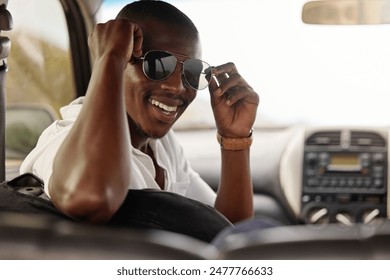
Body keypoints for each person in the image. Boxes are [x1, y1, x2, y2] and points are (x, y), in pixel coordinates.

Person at [20, 0, 259, 226]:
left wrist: (235, 140)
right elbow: (90, 199)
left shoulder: (163, 148)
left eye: (191, 71)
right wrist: (109, 57)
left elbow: (228, 231)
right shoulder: (65, 140)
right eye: (157, 64)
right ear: (120, 64)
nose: (176, 87)